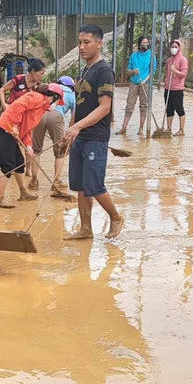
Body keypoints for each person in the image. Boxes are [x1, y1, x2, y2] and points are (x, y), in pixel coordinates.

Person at [64, 24, 124, 240]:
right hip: (80, 136)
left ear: (99, 44)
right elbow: (79, 105)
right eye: (79, 42)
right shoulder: (85, 70)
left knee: (94, 185)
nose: (81, 47)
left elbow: (104, 107)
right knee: (80, 186)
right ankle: (86, 229)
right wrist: (71, 129)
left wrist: (78, 127)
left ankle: (115, 217)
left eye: (86, 42)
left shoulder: (104, 71)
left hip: (95, 137)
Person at [0, 84, 61, 208]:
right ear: (54, 97)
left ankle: (23, 193)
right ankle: (0, 200)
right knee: (7, 166)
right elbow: (19, 106)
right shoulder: (37, 97)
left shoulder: (41, 109)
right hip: (5, 130)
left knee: (19, 164)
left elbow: (27, 128)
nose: (56, 105)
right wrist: (14, 124)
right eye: (57, 101)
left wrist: (28, 146)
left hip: (12, 133)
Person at [30, 76, 76, 198]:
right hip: (56, 116)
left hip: (40, 114)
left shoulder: (50, 87)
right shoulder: (72, 94)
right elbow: (74, 116)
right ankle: (56, 182)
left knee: (36, 150)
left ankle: (34, 181)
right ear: (71, 86)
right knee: (60, 151)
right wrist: (69, 131)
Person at [118, 35, 156, 134]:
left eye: (147, 43)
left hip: (145, 84)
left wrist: (145, 80)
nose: (145, 44)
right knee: (129, 105)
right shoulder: (134, 56)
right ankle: (124, 127)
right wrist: (133, 72)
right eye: (143, 43)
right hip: (134, 83)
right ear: (139, 44)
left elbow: (153, 70)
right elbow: (128, 71)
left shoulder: (151, 55)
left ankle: (141, 128)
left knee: (144, 106)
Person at [162, 38, 189, 135]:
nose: (174, 48)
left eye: (176, 47)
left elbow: (184, 74)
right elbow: (166, 72)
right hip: (168, 88)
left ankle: (181, 130)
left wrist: (175, 71)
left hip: (177, 89)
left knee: (179, 108)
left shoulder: (183, 60)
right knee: (169, 108)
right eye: (172, 47)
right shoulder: (169, 60)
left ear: (179, 48)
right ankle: (169, 129)